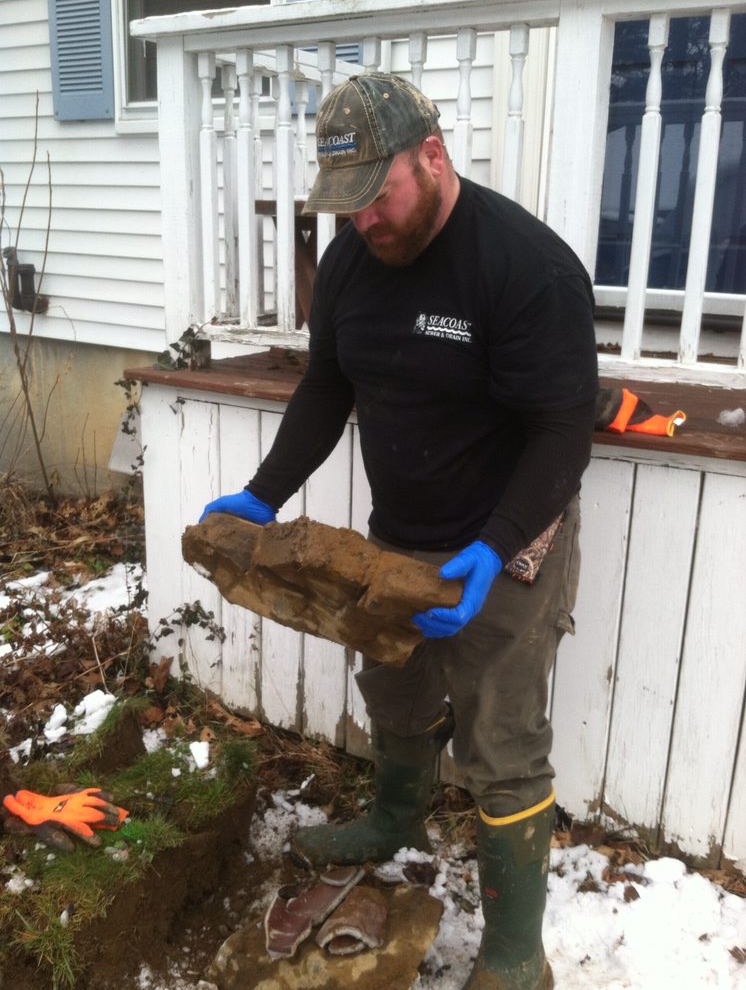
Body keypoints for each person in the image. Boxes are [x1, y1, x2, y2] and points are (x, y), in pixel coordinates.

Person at [201, 73, 598, 990]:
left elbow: (562, 431)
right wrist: (264, 493)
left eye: (378, 197)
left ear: (433, 156)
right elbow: (328, 384)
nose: (364, 221)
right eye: (347, 205)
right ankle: (395, 818)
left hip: (507, 538)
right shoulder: (353, 258)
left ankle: (515, 956)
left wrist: (497, 544)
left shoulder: (525, 267)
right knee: (394, 689)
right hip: (397, 535)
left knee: (501, 740)